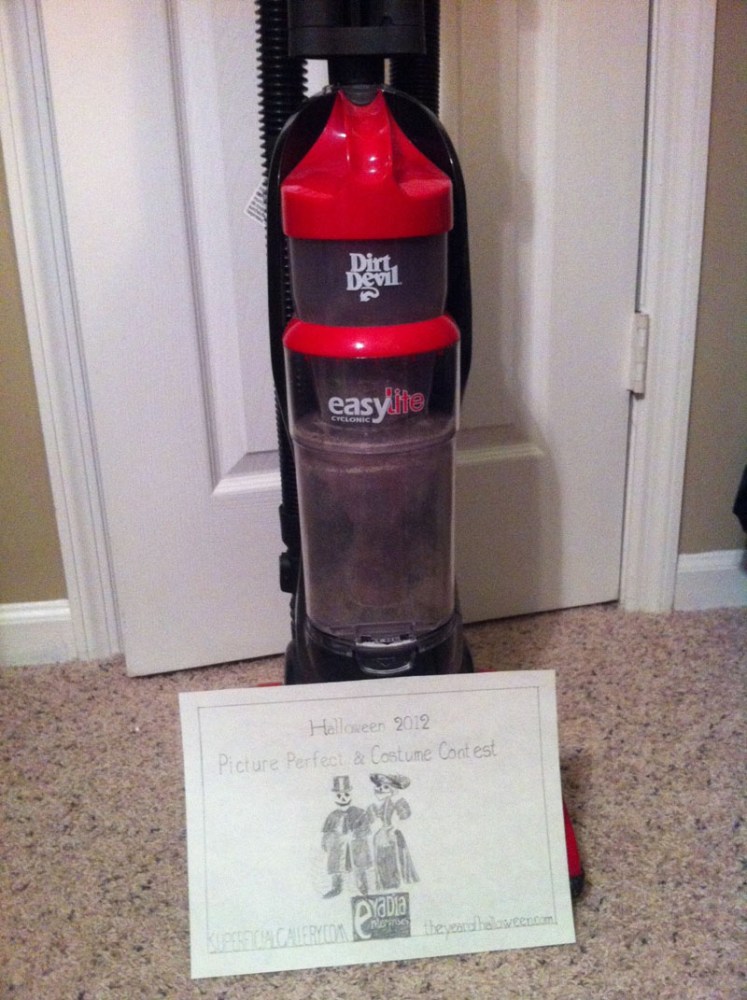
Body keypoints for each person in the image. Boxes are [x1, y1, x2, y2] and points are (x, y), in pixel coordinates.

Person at [321, 775, 371, 897]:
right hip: (339, 847)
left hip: (356, 845)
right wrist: (326, 842)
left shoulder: (359, 812)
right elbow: (327, 832)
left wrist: (356, 835)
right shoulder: (333, 815)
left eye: (346, 795)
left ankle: (363, 887)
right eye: (339, 796)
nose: (343, 799)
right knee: (335, 863)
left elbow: (365, 829)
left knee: (360, 864)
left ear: (351, 794)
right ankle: (336, 887)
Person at [367, 773, 418, 890]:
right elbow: (374, 818)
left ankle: (394, 883)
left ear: (393, 790)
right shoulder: (383, 804)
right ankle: (385, 882)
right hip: (383, 833)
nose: (381, 789)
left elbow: (402, 818)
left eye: (385, 787)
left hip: (392, 834)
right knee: (382, 857)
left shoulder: (397, 803)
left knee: (393, 858)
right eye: (379, 786)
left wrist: (392, 830)